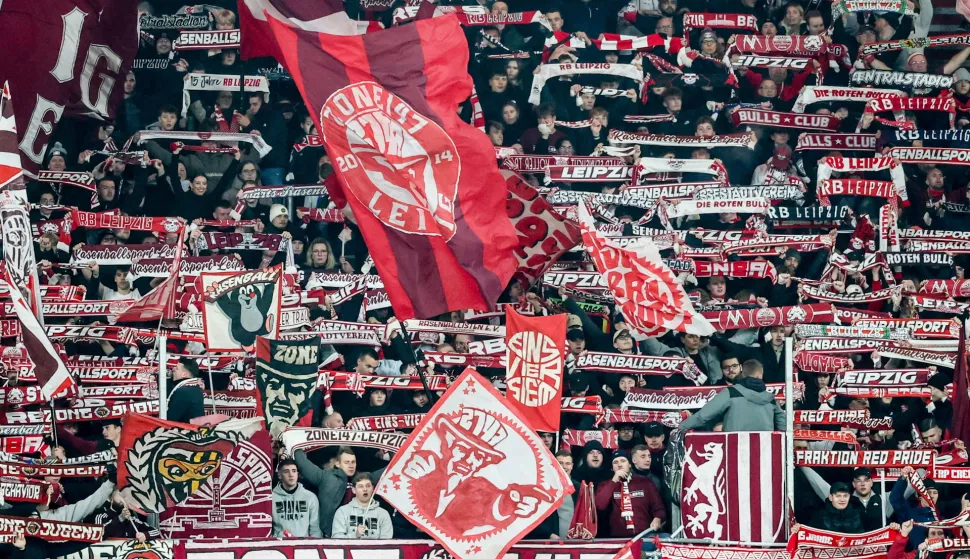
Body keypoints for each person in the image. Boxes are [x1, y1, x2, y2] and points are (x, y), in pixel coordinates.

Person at [679, 360, 786, 432]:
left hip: (735, 450)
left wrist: (681, 427)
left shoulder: (731, 392)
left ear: (742, 373)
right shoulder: (770, 399)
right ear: (760, 374)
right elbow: (783, 425)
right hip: (764, 451)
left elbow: (703, 416)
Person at [594, 451, 665, 539]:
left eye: (623, 461)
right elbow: (599, 505)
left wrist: (657, 518)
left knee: (668, 538)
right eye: (615, 462)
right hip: (618, 539)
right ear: (612, 468)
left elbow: (659, 508)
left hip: (644, 536)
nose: (619, 464)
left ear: (630, 465)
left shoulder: (645, 483)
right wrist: (613, 481)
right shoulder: (605, 485)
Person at [331, 472, 393, 539]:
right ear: (354, 490)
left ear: (373, 489)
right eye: (361, 486)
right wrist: (355, 535)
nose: (365, 489)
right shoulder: (342, 511)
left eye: (368, 486)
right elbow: (336, 539)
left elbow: (387, 541)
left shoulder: (383, 514)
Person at [273, 459, 323, 537]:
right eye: (286, 471)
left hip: (304, 547)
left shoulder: (310, 497)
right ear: (279, 475)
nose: (291, 474)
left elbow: (315, 529)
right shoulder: (271, 498)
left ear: (297, 474)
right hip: (279, 545)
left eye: (294, 471)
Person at [167, 357, 204, 424]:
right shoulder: (193, 387)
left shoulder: (184, 391)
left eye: (177, 368)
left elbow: (170, 419)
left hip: (184, 431)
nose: (173, 369)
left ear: (184, 375)